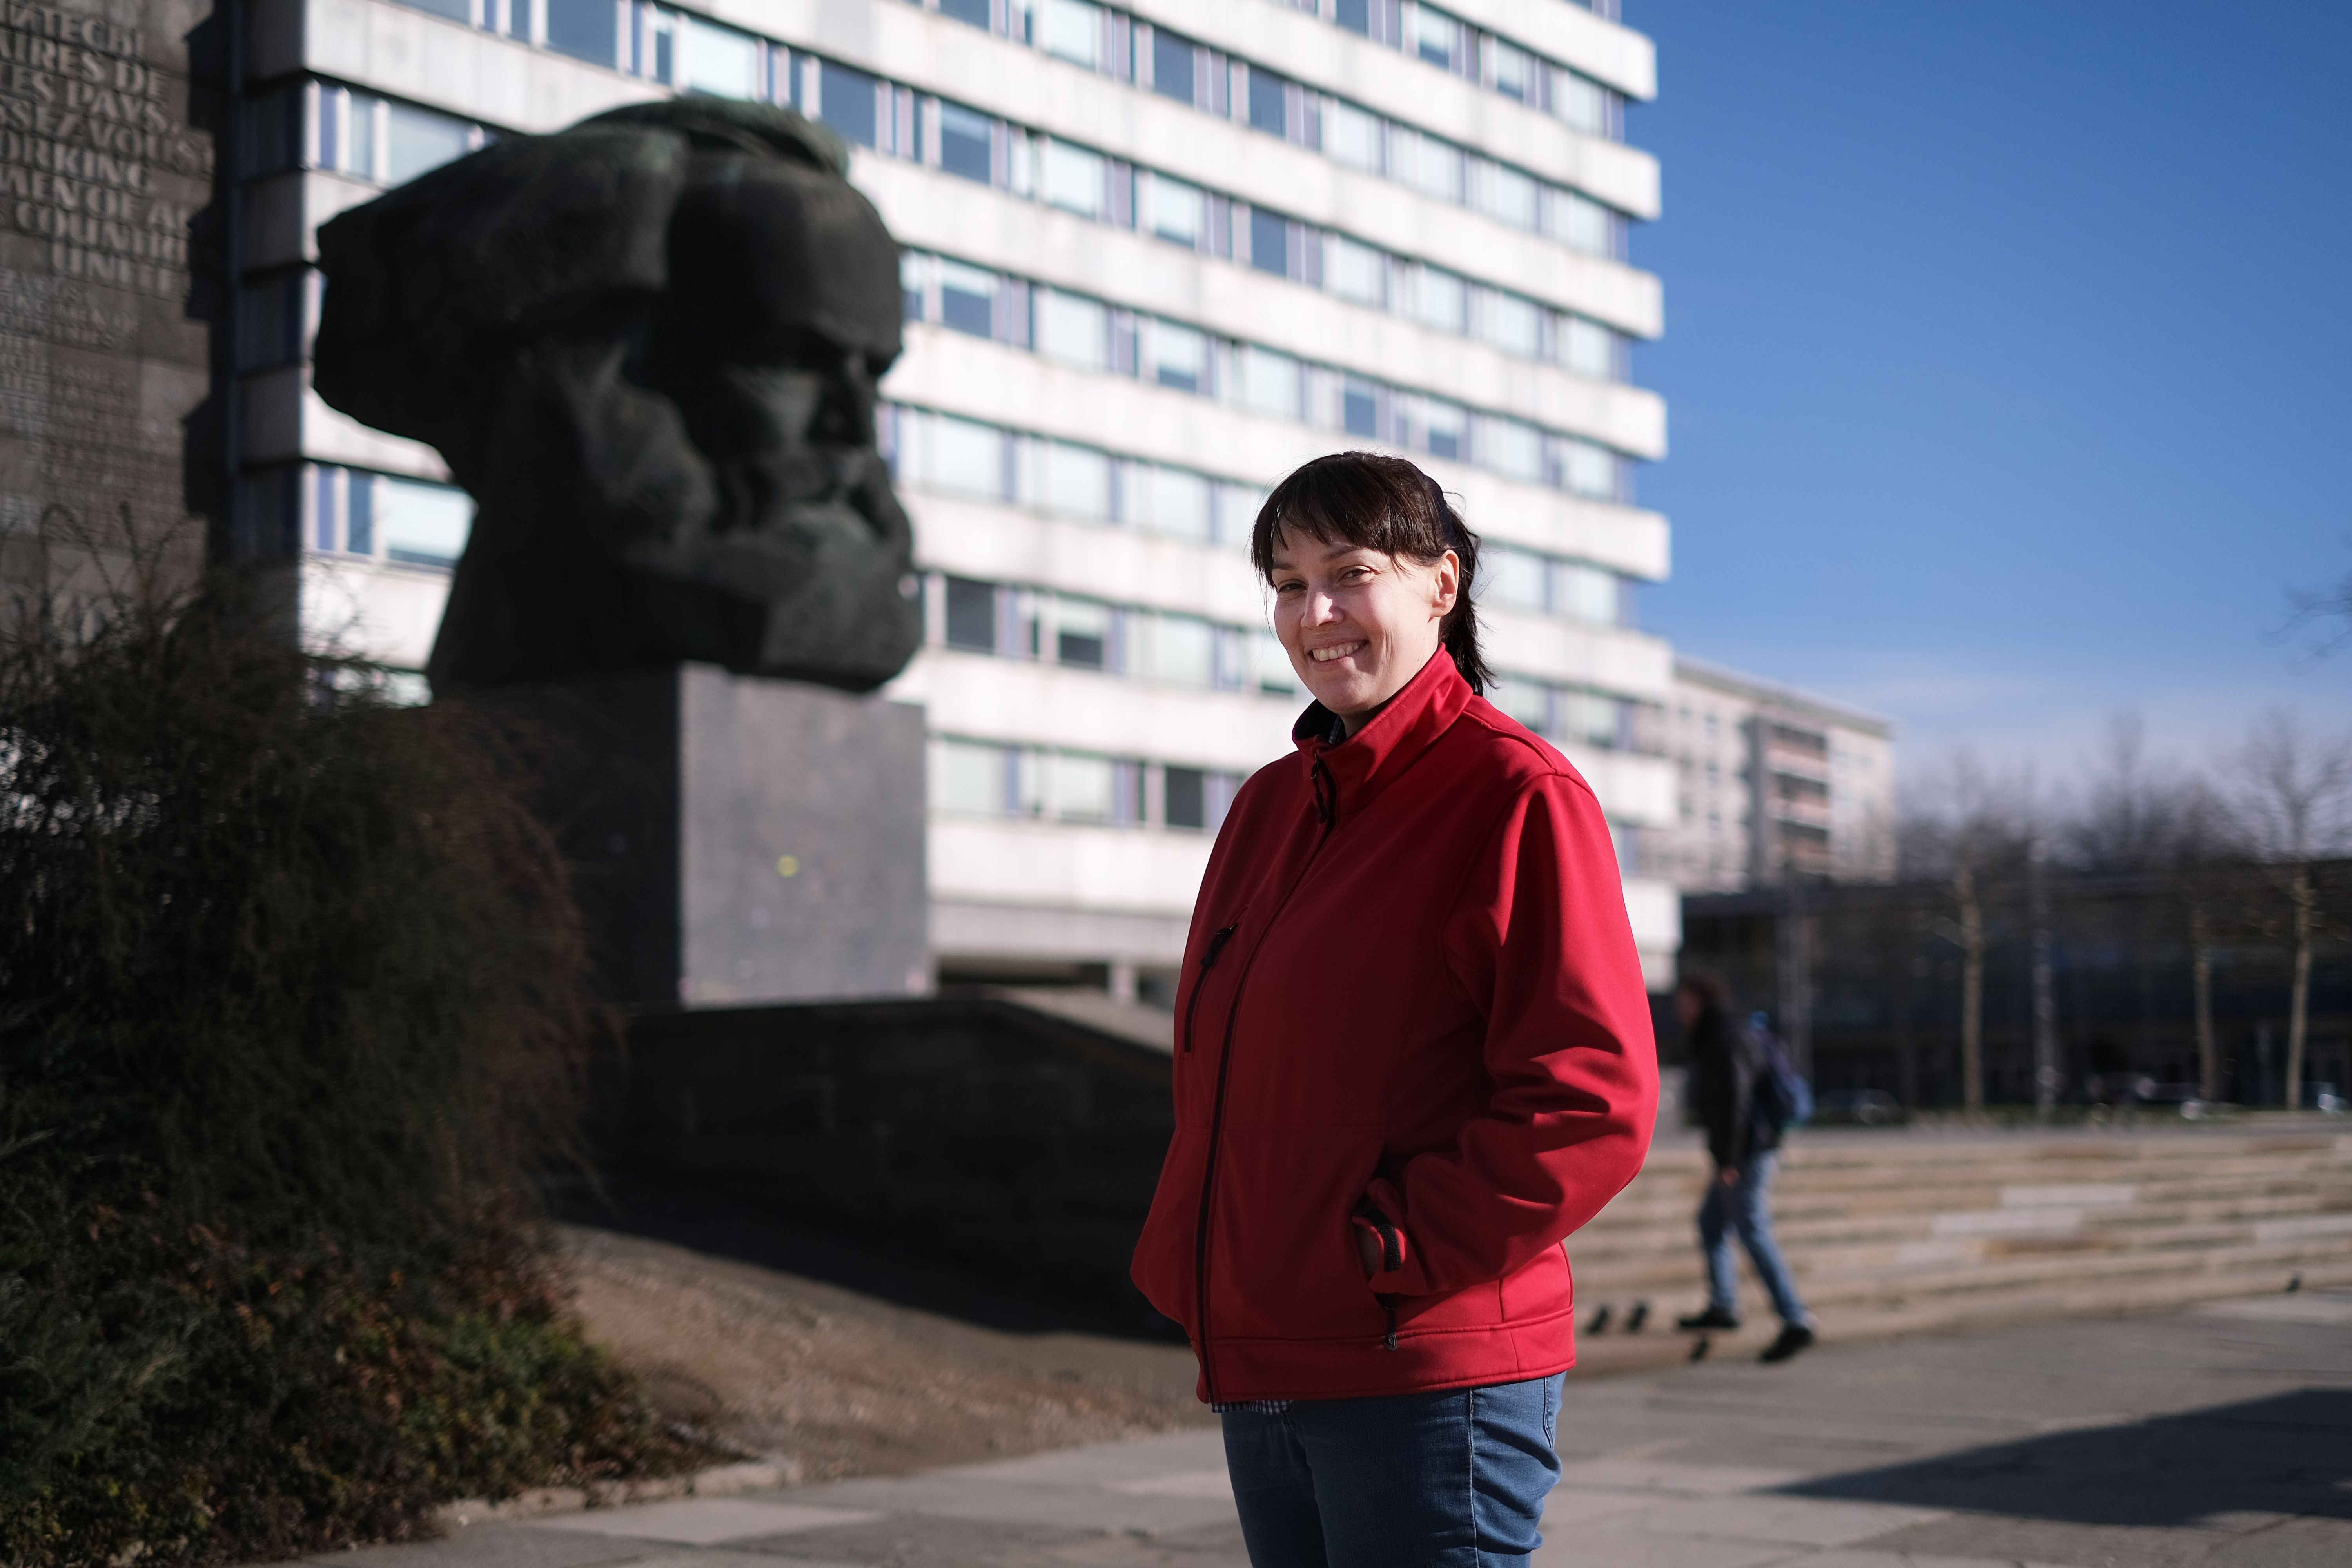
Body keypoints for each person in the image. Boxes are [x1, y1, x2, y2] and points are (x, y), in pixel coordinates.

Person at [1130, 453, 1658, 1566]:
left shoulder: (1516, 794)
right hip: (1270, 1354)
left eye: (1348, 573)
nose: (1312, 613)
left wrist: (1384, 1249)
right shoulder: (1267, 809)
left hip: (1425, 1367)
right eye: (1284, 582)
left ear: (1441, 586)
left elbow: (1590, 1100)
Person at [1672, 975, 1816, 1362]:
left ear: (1702, 999)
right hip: (1749, 1147)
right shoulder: (1723, 1032)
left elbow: (1734, 1099)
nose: (1679, 1009)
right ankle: (1724, 1305)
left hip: (1748, 1151)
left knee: (1752, 1230)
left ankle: (1795, 1318)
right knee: (1711, 1222)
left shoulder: (1725, 1036)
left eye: (1684, 1000)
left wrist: (1728, 1159)